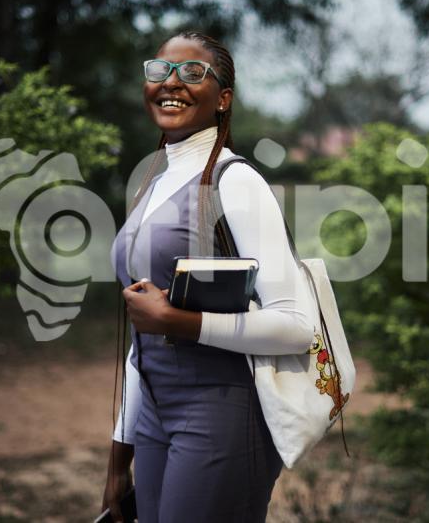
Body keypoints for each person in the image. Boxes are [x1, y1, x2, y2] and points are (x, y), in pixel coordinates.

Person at [101, 31, 318, 523]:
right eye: (159, 70)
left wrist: (179, 321)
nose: (170, 82)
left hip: (220, 410)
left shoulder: (235, 181)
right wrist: (120, 454)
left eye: (192, 73)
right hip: (155, 414)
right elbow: (143, 335)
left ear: (222, 99)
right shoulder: (154, 183)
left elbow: (296, 326)